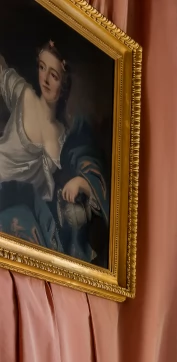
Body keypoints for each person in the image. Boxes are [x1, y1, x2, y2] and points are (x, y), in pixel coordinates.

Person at [0, 41, 109, 265]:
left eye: (54, 75)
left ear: (64, 85)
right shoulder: (24, 95)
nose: (45, 80)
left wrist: (82, 182)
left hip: (29, 213)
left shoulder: (63, 136)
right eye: (41, 68)